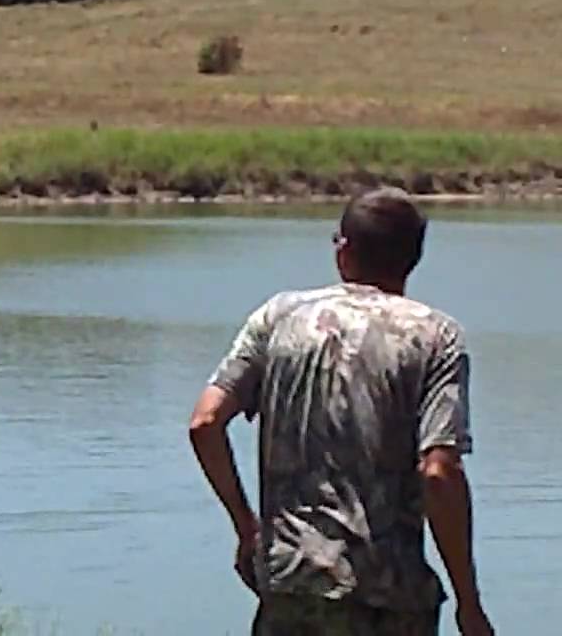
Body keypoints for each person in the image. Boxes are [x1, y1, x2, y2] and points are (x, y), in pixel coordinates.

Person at [188, 186, 495, 635]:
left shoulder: (279, 317)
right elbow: (438, 472)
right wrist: (468, 602)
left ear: (343, 250)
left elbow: (205, 422)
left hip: (290, 582)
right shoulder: (435, 337)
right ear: (413, 258)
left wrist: (247, 529)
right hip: (389, 595)